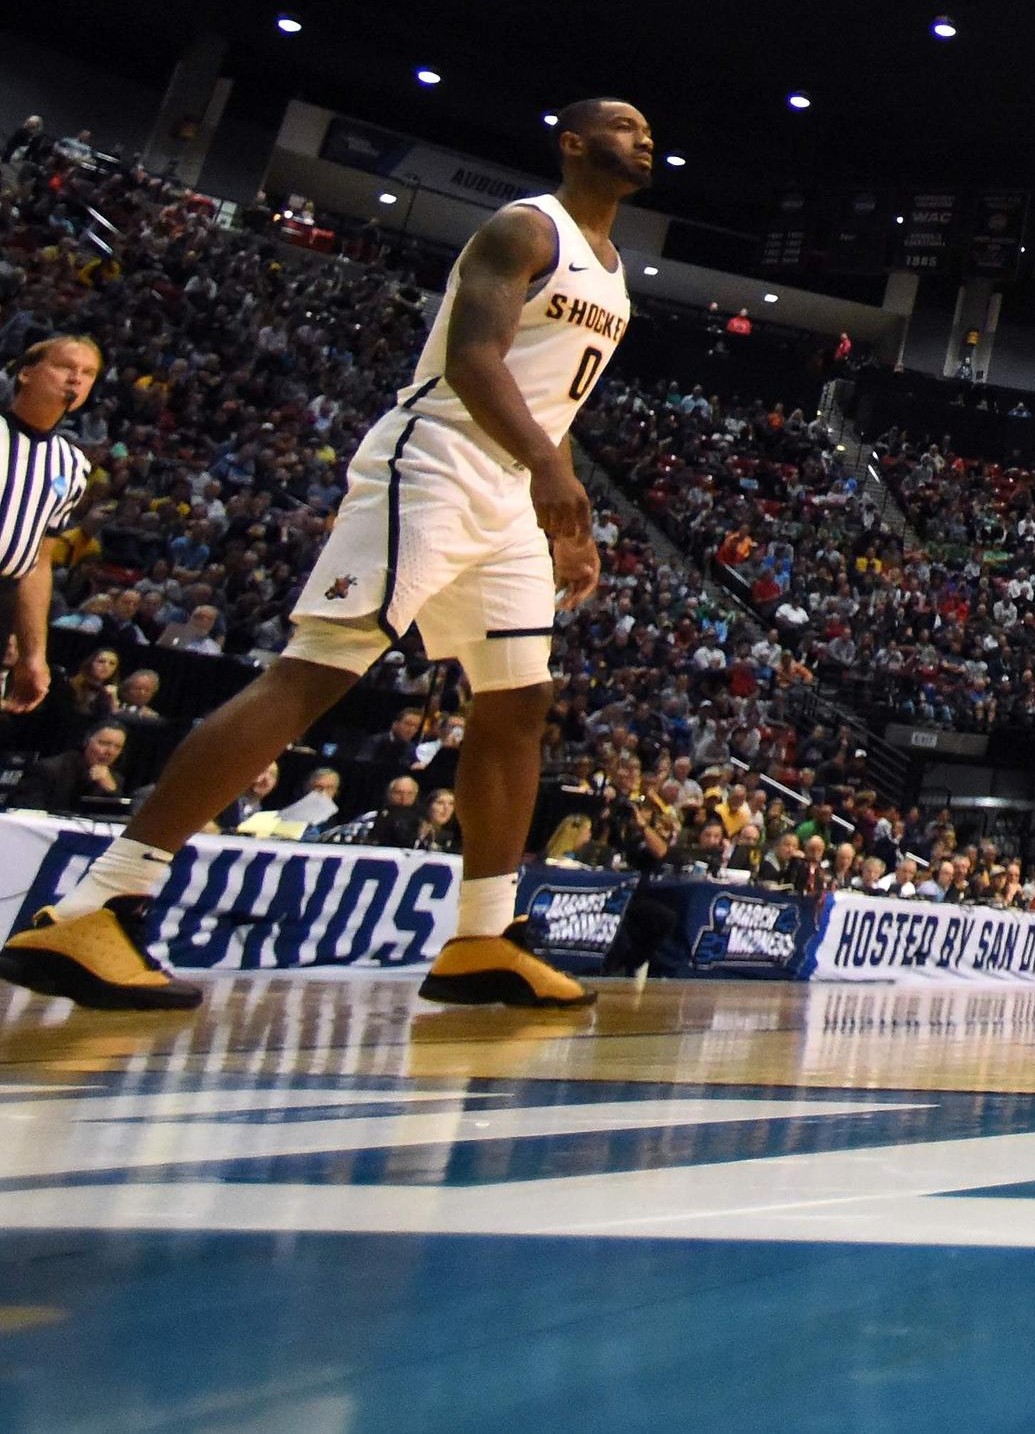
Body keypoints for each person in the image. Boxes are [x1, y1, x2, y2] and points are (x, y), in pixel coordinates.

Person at [2, 100, 653, 1013]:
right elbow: (473, 355)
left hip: (510, 490)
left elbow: (553, 405)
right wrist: (546, 465)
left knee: (519, 700)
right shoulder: (524, 227)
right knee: (317, 672)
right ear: (573, 141)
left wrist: (567, 516)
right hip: (436, 459)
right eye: (625, 125)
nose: (645, 138)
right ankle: (97, 905)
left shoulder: (618, 276)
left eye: (649, 131)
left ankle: (483, 937)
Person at [1, 334, 102, 722]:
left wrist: (33, 654)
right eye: (64, 367)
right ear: (26, 372)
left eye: (87, 373)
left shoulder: (72, 464)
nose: (75, 379)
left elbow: (38, 563)